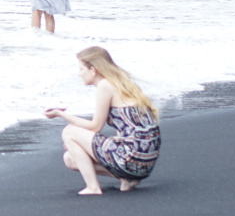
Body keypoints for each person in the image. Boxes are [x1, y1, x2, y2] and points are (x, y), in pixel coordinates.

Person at [46, 46, 161, 195]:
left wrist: (61, 115)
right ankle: (127, 179)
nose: (79, 73)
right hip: (144, 163)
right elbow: (128, 132)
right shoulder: (122, 83)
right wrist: (80, 143)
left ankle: (93, 187)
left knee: (69, 131)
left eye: (81, 69)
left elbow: (95, 127)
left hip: (132, 158)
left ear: (93, 70)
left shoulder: (105, 85)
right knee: (70, 158)